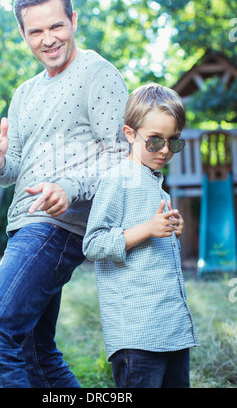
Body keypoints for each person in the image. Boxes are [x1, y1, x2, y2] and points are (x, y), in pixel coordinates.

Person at [0, 0, 129, 388]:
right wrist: (0, 160)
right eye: (36, 31)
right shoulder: (24, 93)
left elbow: (121, 157)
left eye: (56, 26)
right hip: (24, 223)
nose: (48, 39)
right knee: (35, 355)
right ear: (23, 34)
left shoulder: (98, 73)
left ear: (73, 20)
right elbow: (14, 171)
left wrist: (71, 187)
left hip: (57, 228)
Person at [83, 83, 199, 388]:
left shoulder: (157, 186)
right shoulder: (117, 180)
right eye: (155, 141)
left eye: (173, 142)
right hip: (138, 333)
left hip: (171, 327)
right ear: (130, 133)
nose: (164, 150)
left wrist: (172, 230)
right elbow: (93, 244)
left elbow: (155, 246)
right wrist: (148, 229)